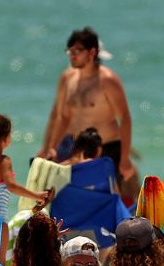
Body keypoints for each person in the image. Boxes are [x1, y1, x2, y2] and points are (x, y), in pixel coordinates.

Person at [39, 27, 136, 186]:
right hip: (78, 149)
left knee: (104, 201)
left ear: (92, 53)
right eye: (70, 51)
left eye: (77, 51)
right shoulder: (67, 78)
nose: (72, 55)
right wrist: (51, 147)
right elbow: (63, 117)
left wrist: (124, 159)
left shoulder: (107, 80)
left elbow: (125, 118)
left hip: (107, 149)